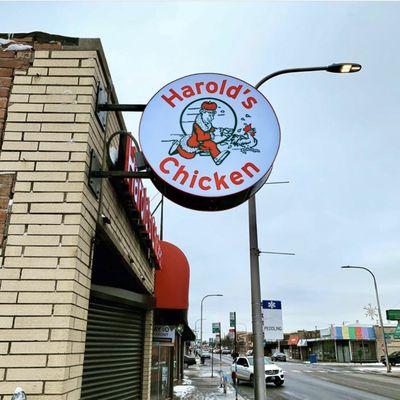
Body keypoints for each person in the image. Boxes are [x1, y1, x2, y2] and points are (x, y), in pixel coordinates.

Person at [171, 101, 230, 165]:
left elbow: (211, 128)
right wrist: (210, 135)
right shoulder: (197, 125)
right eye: (210, 115)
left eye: (213, 115)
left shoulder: (206, 122)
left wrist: (220, 130)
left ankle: (217, 157)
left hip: (201, 143)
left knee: (212, 144)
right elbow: (200, 137)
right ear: (203, 112)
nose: (212, 118)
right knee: (189, 155)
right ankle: (177, 147)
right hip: (194, 143)